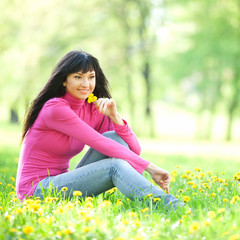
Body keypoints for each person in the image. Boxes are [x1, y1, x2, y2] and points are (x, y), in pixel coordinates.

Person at [16, 50, 183, 209]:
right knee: (113, 166)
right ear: (64, 80)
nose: (86, 84)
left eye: (91, 77)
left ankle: (160, 202)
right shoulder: (55, 108)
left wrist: (116, 118)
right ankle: (172, 206)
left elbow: (132, 149)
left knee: (114, 137)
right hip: (36, 191)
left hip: (61, 184)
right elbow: (99, 142)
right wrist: (151, 168)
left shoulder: (93, 108)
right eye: (78, 77)